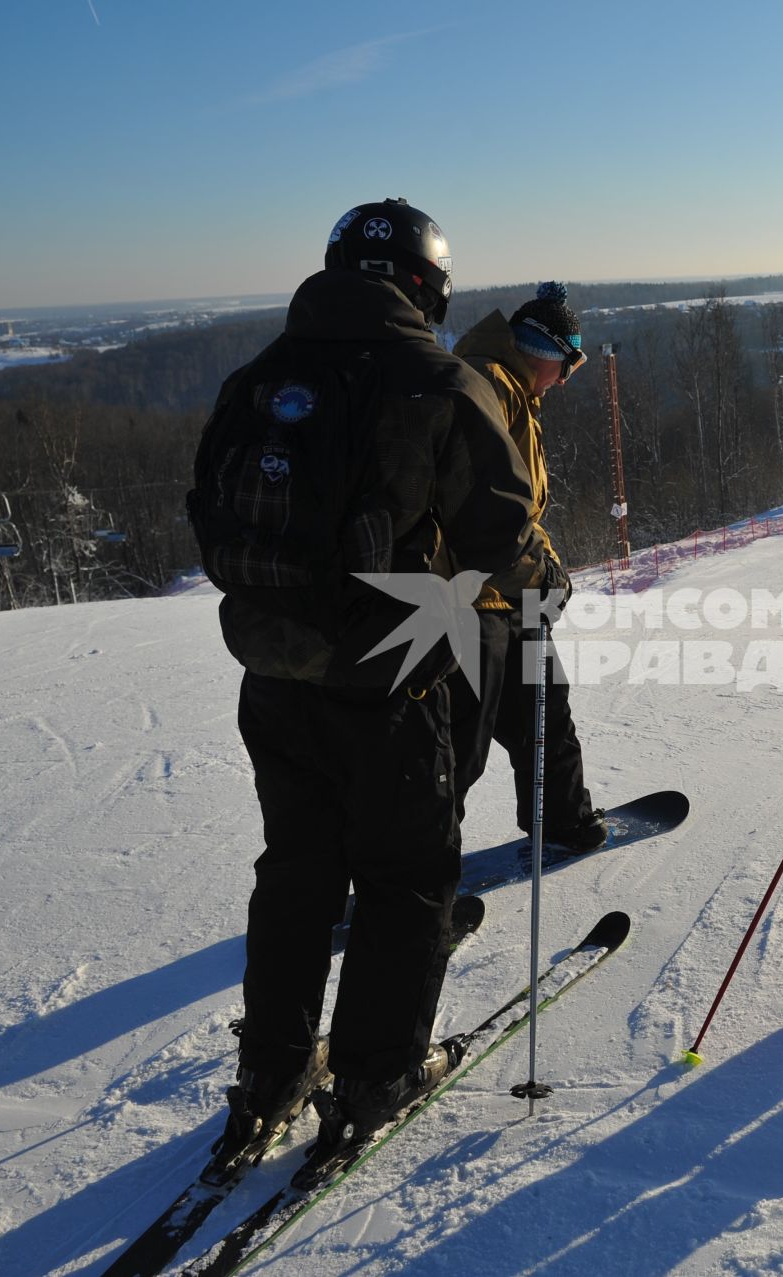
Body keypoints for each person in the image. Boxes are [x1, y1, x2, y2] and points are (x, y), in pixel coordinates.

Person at [189, 199, 550, 1175]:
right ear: (428, 287)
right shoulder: (438, 381)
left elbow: (205, 513)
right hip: (389, 679)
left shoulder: (262, 378)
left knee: (297, 869)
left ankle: (270, 1071)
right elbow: (504, 544)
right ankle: (376, 1071)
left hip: (272, 672)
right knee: (405, 876)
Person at [450, 282, 607, 853]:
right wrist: (537, 573)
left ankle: (562, 819)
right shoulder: (486, 387)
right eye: (566, 367)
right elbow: (479, 513)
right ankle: (412, 882)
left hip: (509, 594)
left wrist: (547, 569)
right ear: (542, 352)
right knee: (455, 751)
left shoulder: (514, 392)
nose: (564, 382)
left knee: (545, 713)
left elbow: (521, 510)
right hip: (466, 601)